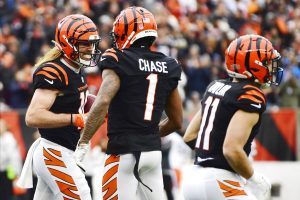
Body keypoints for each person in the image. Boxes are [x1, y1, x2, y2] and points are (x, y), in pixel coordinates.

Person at [75, 6, 183, 200]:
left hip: (123, 154)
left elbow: (102, 102)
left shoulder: (117, 58)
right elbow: (176, 121)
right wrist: (146, 136)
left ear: (127, 32)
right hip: (152, 154)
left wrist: (83, 141)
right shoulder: (169, 64)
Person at [182, 34, 283, 200]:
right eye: (267, 62)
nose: (272, 68)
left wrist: (211, 157)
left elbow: (190, 136)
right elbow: (231, 150)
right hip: (220, 181)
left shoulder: (216, 86)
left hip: (192, 180)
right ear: (254, 64)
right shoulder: (251, 95)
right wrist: (254, 178)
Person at [17, 14, 101, 200]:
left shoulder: (76, 68)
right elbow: (32, 117)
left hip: (62, 151)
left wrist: (89, 102)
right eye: (84, 43)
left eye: (92, 43)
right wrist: (75, 118)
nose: (90, 48)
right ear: (67, 43)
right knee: (82, 196)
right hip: (54, 151)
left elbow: (69, 101)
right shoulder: (55, 71)